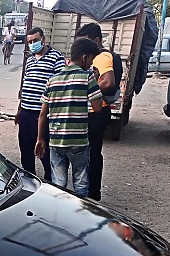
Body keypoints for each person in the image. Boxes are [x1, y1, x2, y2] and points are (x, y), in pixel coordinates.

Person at [35, 37, 102, 196]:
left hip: (56, 141)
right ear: (85, 57)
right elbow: (98, 108)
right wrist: (96, 79)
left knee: (58, 185)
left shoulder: (52, 80)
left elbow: (43, 113)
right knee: (81, 184)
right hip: (78, 142)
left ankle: (60, 214)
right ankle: (80, 216)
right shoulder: (87, 77)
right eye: (91, 59)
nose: (91, 64)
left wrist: (40, 139)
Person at [15, 27, 65, 181]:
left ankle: (50, 181)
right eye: (30, 42)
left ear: (43, 39)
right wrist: (19, 110)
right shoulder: (29, 60)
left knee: (45, 151)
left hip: (43, 115)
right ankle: (30, 180)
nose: (33, 44)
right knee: (26, 150)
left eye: (35, 40)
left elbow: (59, 86)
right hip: (26, 113)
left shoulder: (56, 58)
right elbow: (25, 85)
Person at [75, 23, 116, 201]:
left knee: (91, 153)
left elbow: (108, 82)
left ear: (97, 41)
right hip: (91, 112)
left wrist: (83, 90)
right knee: (87, 152)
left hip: (95, 113)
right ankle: (89, 191)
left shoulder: (102, 56)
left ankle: (92, 193)